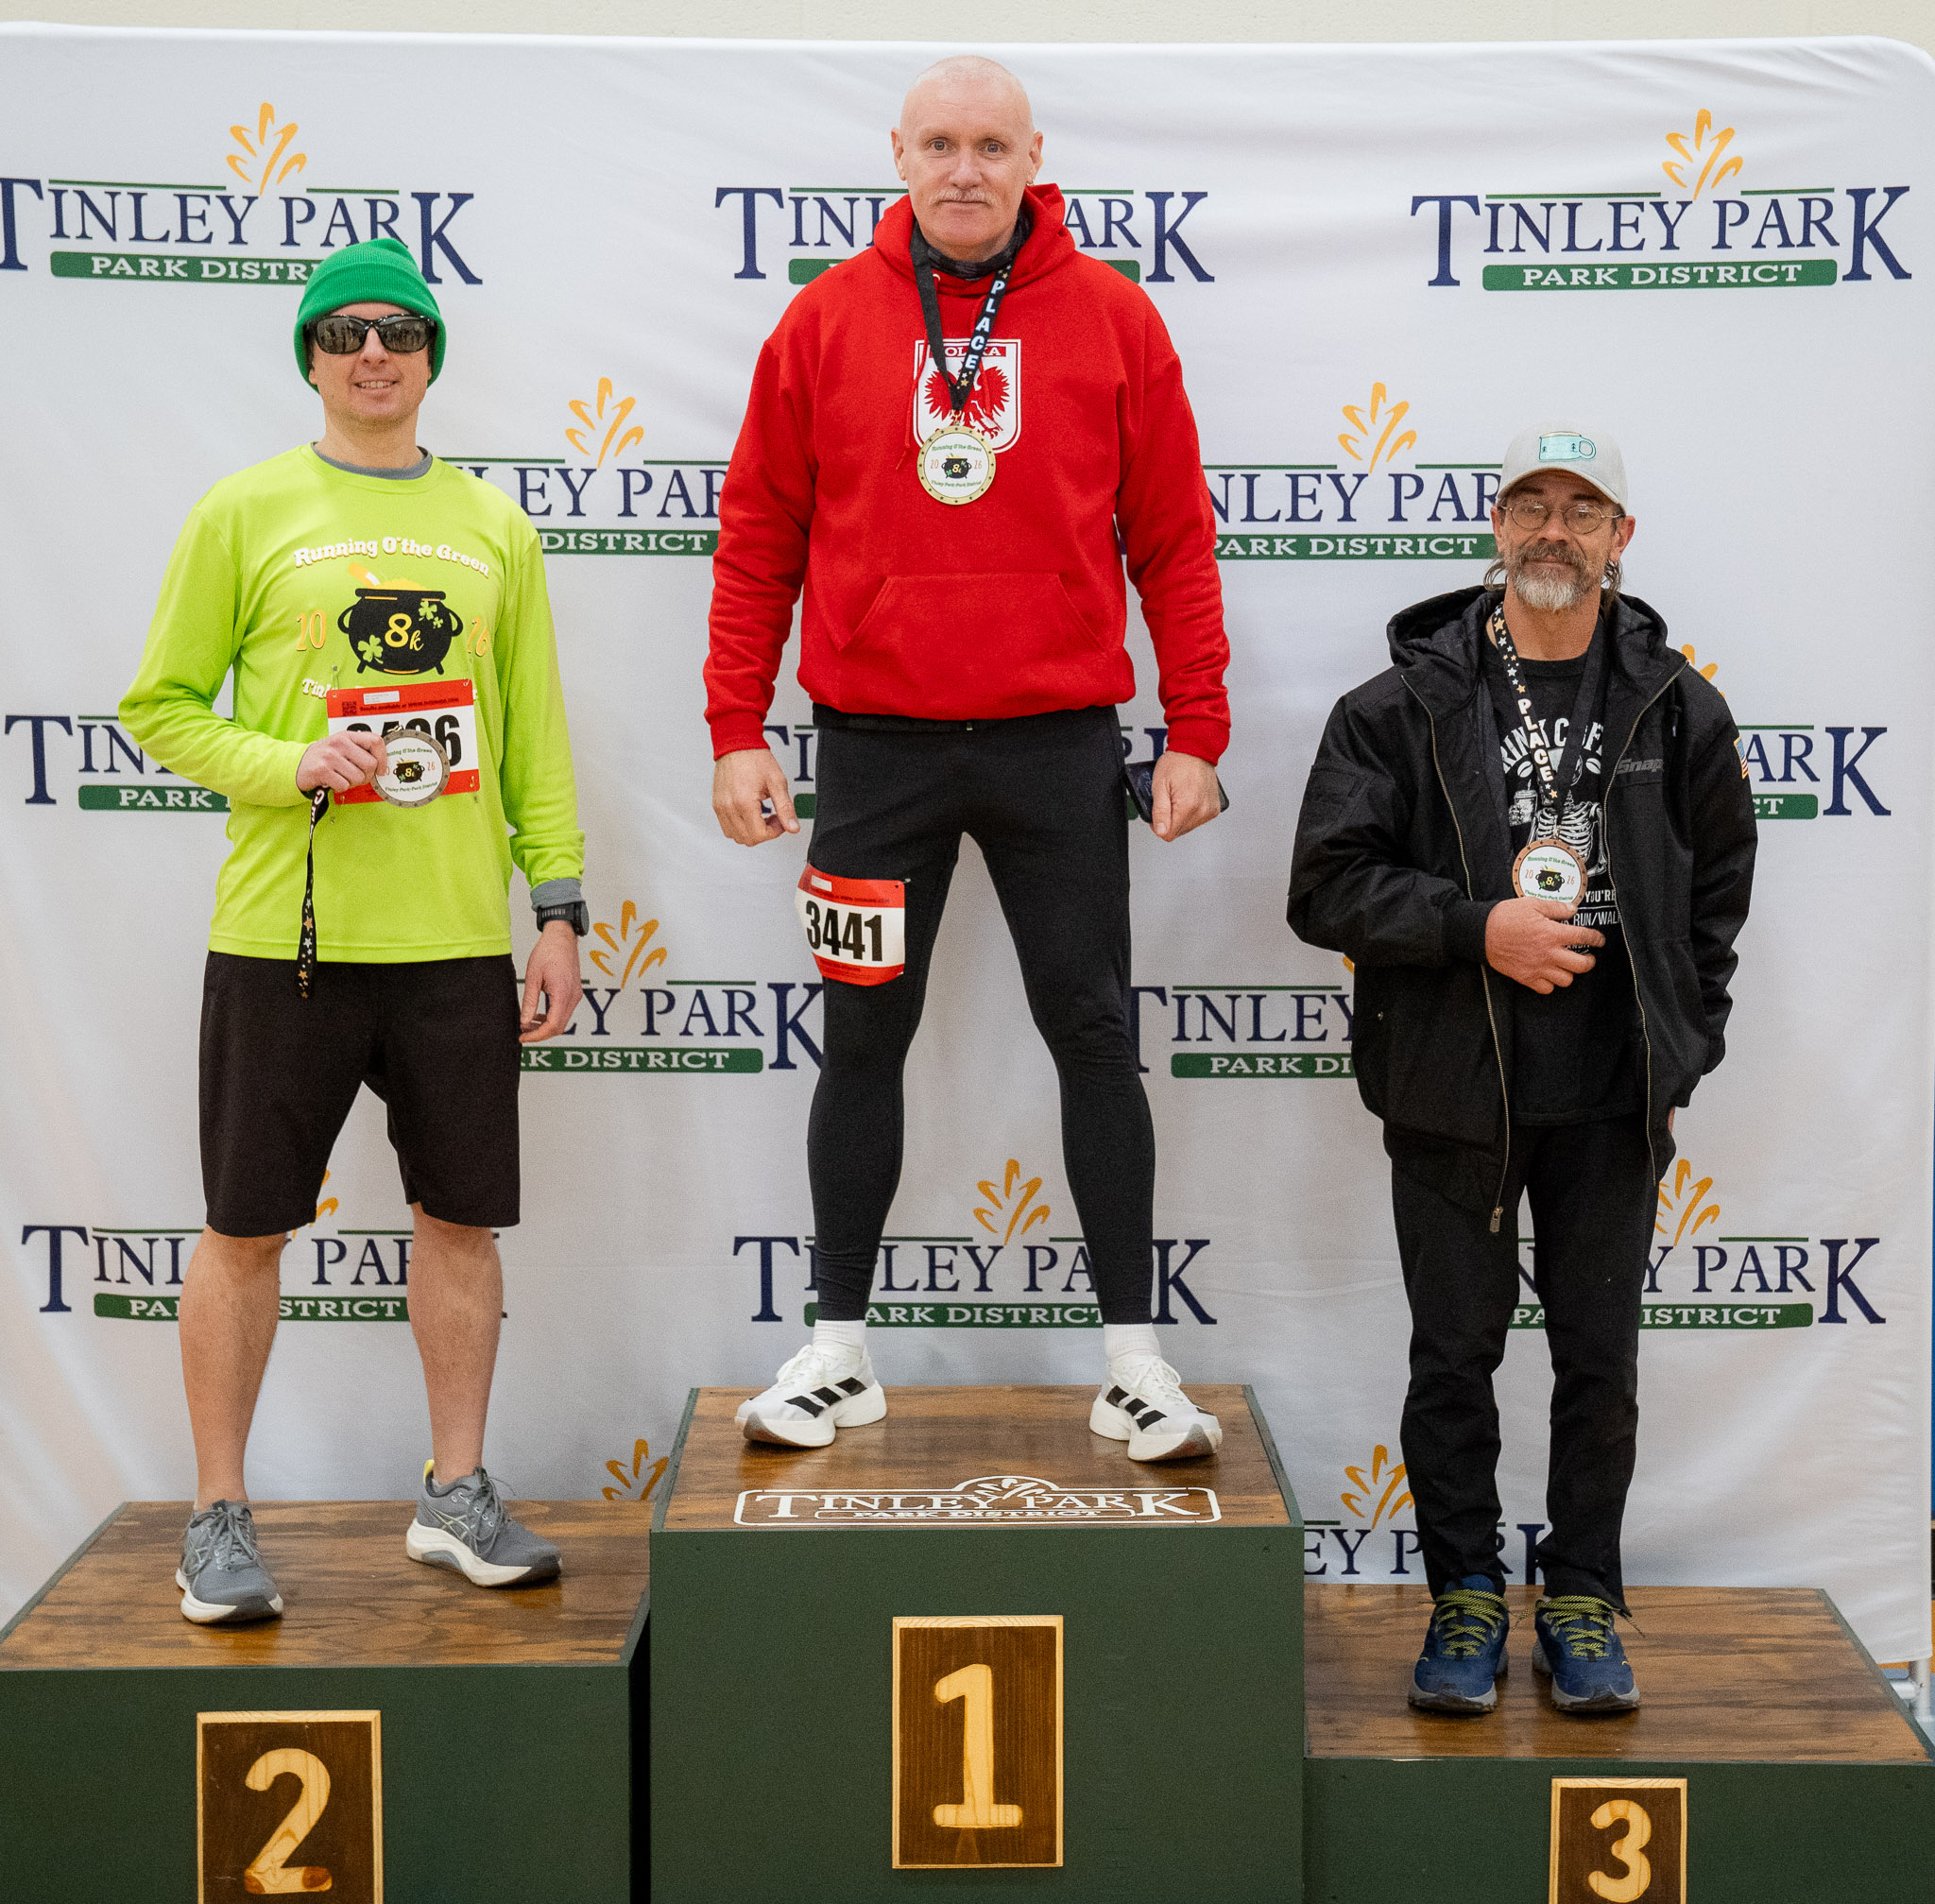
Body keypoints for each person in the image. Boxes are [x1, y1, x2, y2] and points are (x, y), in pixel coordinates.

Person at [704, 56, 1231, 1459]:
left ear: (1034, 158)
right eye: (939, 142)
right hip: (876, 757)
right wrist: (736, 727)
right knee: (862, 1040)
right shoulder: (825, 319)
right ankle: (837, 1352)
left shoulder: (1114, 317)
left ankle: (1135, 1364)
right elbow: (758, 537)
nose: (964, 169)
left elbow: (1173, 537)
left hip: (1058, 751)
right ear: (898, 154)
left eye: (991, 145)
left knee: (1095, 1036)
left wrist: (1197, 729)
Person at [121, 237, 588, 1623]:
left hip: (452, 940)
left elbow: (534, 735)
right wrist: (286, 764)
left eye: (397, 329)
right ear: (312, 359)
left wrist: (558, 909)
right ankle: (217, 1517)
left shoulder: (494, 526)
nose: (372, 351)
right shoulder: (242, 509)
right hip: (288, 938)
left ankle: (455, 1491)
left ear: (431, 354)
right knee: (244, 1229)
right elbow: (158, 707)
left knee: (461, 1222)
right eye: (344, 333)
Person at [1288, 425, 1755, 1713]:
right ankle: (1464, 1596)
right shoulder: (1398, 706)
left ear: (1620, 537)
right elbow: (1325, 887)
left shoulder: (1677, 705)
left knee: (1600, 1364)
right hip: (1453, 1091)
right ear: (1496, 526)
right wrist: (1472, 926)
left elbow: (1718, 897)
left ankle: (1584, 1599)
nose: (1555, 530)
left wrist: (1686, 1046)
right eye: (1531, 505)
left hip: (1612, 1095)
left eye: (1582, 509)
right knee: (1455, 1360)